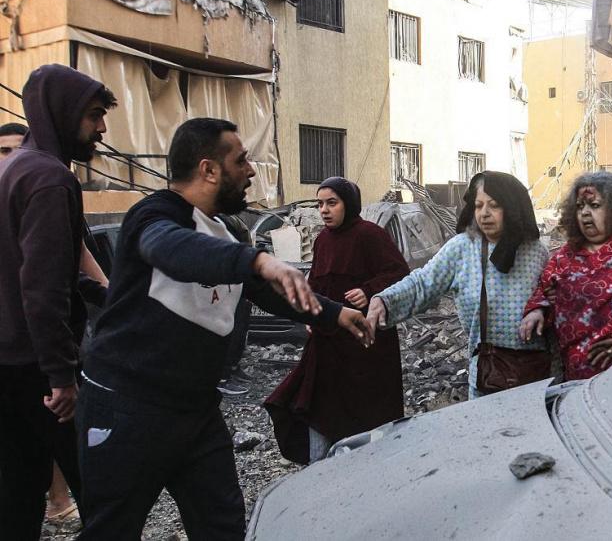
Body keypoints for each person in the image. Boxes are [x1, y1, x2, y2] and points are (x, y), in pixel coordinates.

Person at [76, 118, 373, 540]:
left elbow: (264, 291)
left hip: (195, 411)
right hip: (127, 406)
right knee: (111, 529)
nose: (251, 171)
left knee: (222, 527)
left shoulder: (222, 230)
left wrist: (334, 314)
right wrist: (257, 260)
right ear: (209, 170)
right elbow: (169, 248)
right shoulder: (154, 215)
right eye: (241, 160)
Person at [0, 64, 116, 540]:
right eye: (93, 115)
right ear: (62, 114)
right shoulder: (49, 179)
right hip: (38, 368)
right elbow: (41, 287)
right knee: (103, 489)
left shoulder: (15, 167)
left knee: (18, 489)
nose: (102, 128)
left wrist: (107, 295)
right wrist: (61, 376)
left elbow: (46, 269)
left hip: (10, 361)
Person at [367, 171, 549, 399]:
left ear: (512, 207)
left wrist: (542, 310)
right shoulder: (462, 249)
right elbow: (423, 283)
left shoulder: (537, 253)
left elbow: (554, 300)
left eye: (494, 205)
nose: (484, 213)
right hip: (487, 379)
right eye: (479, 205)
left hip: (536, 379)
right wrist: (385, 301)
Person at [265, 177, 410, 463]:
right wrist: (310, 313)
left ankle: (368, 467)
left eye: (332, 203)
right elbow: (316, 284)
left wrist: (369, 290)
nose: (324, 210)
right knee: (319, 406)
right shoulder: (323, 240)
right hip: (327, 344)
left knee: (367, 413)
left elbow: (399, 274)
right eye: (320, 204)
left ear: (349, 204)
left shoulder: (370, 235)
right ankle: (320, 469)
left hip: (365, 346)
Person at [520, 173, 612, 380]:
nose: (585, 213)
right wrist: (536, 311)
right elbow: (543, 290)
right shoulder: (563, 258)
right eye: (580, 207)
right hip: (581, 374)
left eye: (594, 205)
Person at [216, 213, 254, 396]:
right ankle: (223, 378)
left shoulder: (232, 217)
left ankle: (232, 367)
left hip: (240, 280)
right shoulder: (219, 219)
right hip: (228, 284)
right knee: (229, 331)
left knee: (240, 329)